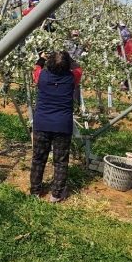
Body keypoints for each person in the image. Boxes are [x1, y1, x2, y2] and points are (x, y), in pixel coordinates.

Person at [30, 50, 82, 202]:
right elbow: (79, 69)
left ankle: (35, 191)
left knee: (38, 158)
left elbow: (36, 69)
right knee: (60, 161)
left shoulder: (41, 76)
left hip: (42, 123)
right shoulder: (72, 78)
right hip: (62, 125)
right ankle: (56, 194)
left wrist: (41, 59)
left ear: (50, 63)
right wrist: (70, 59)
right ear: (67, 66)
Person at [116, 22, 132, 91]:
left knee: (129, 71)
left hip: (130, 58)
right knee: (125, 71)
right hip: (127, 57)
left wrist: (129, 60)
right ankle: (125, 84)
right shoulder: (126, 40)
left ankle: (126, 85)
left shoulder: (129, 40)